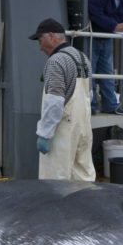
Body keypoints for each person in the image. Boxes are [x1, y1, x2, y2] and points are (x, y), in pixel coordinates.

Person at [29, 18, 96, 181]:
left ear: (51, 36)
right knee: (83, 177)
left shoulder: (56, 61)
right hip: (84, 126)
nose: (39, 47)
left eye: (40, 39)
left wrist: (45, 134)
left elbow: (54, 101)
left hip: (63, 129)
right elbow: (90, 94)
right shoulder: (82, 57)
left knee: (55, 180)